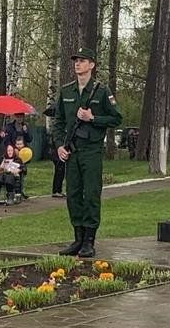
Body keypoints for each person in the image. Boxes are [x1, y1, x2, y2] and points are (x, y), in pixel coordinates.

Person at [52, 47, 123, 260]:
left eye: (82, 61)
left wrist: (93, 118)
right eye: (76, 60)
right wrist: (59, 146)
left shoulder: (102, 91)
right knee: (73, 194)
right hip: (71, 151)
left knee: (91, 193)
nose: (77, 64)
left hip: (91, 150)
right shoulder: (66, 91)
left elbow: (117, 118)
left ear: (91, 65)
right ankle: (78, 238)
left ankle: (89, 241)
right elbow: (59, 122)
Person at [43, 97, 65, 197]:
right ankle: (56, 190)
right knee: (59, 169)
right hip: (55, 150)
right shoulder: (56, 126)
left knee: (61, 169)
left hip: (57, 149)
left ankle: (58, 189)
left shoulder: (57, 125)